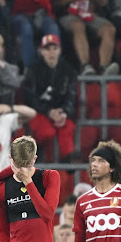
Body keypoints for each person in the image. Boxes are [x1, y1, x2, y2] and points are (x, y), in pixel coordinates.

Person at [23, 34, 78, 162]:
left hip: (60, 111)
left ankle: (69, 162)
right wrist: (49, 111)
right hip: (38, 111)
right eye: (48, 49)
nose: (51, 52)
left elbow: (72, 97)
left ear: (59, 50)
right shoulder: (32, 70)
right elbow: (30, 99)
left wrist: (64, 112)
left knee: (67, 126)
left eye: (54, 48)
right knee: (46, 131)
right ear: (42, 51)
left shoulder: (69, 71)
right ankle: (38, 153)